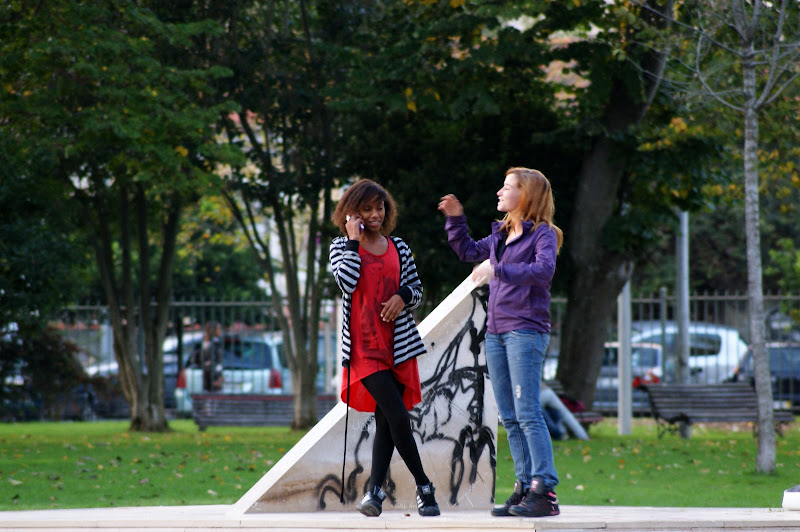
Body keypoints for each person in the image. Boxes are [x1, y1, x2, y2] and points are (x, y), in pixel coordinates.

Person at [438, 167, 563, 518]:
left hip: (526, 331)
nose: (500, 191)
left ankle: (544, 490)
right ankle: (524, 488)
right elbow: (466, 251)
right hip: (496, 333)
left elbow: (543, 271)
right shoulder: (501, 234)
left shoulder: (543, 235)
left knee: (528, 413)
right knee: (509, 416)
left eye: (507, 187)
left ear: (526, 195)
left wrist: (498, 270)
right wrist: (456, 219)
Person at [329, 178, 440, 518]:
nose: (375, 214)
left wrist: (402, 296)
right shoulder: (340, 247)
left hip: (398, 346)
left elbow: (416, 289)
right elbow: (346, 283)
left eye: (379, 208)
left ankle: (374, 494)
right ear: (352, 213)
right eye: (367, 209)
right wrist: (353, 241)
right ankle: (424, 486)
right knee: (397, 415)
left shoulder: (399, 247)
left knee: (386, 420)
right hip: (364, 349)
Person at [198, 321, 223, 392]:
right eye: (218, 329)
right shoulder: (210, 344)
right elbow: (211, 362)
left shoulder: (211, 343)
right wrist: (216, 378)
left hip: (212, 376)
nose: (220, 331)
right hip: (211, 377)